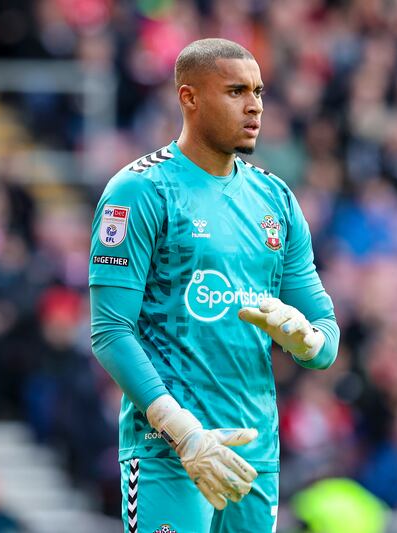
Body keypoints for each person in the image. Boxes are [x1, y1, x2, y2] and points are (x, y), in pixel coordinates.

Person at [89, 38, 340, 533]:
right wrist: (184, 434)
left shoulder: (276, 199)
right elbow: (110, 331)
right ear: (189, 98)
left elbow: (326, 334)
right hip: (170, 453)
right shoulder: (139, 190)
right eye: (236, 91)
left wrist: (307, 341)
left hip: (254, 455)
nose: (255, 106)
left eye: (260, 92)